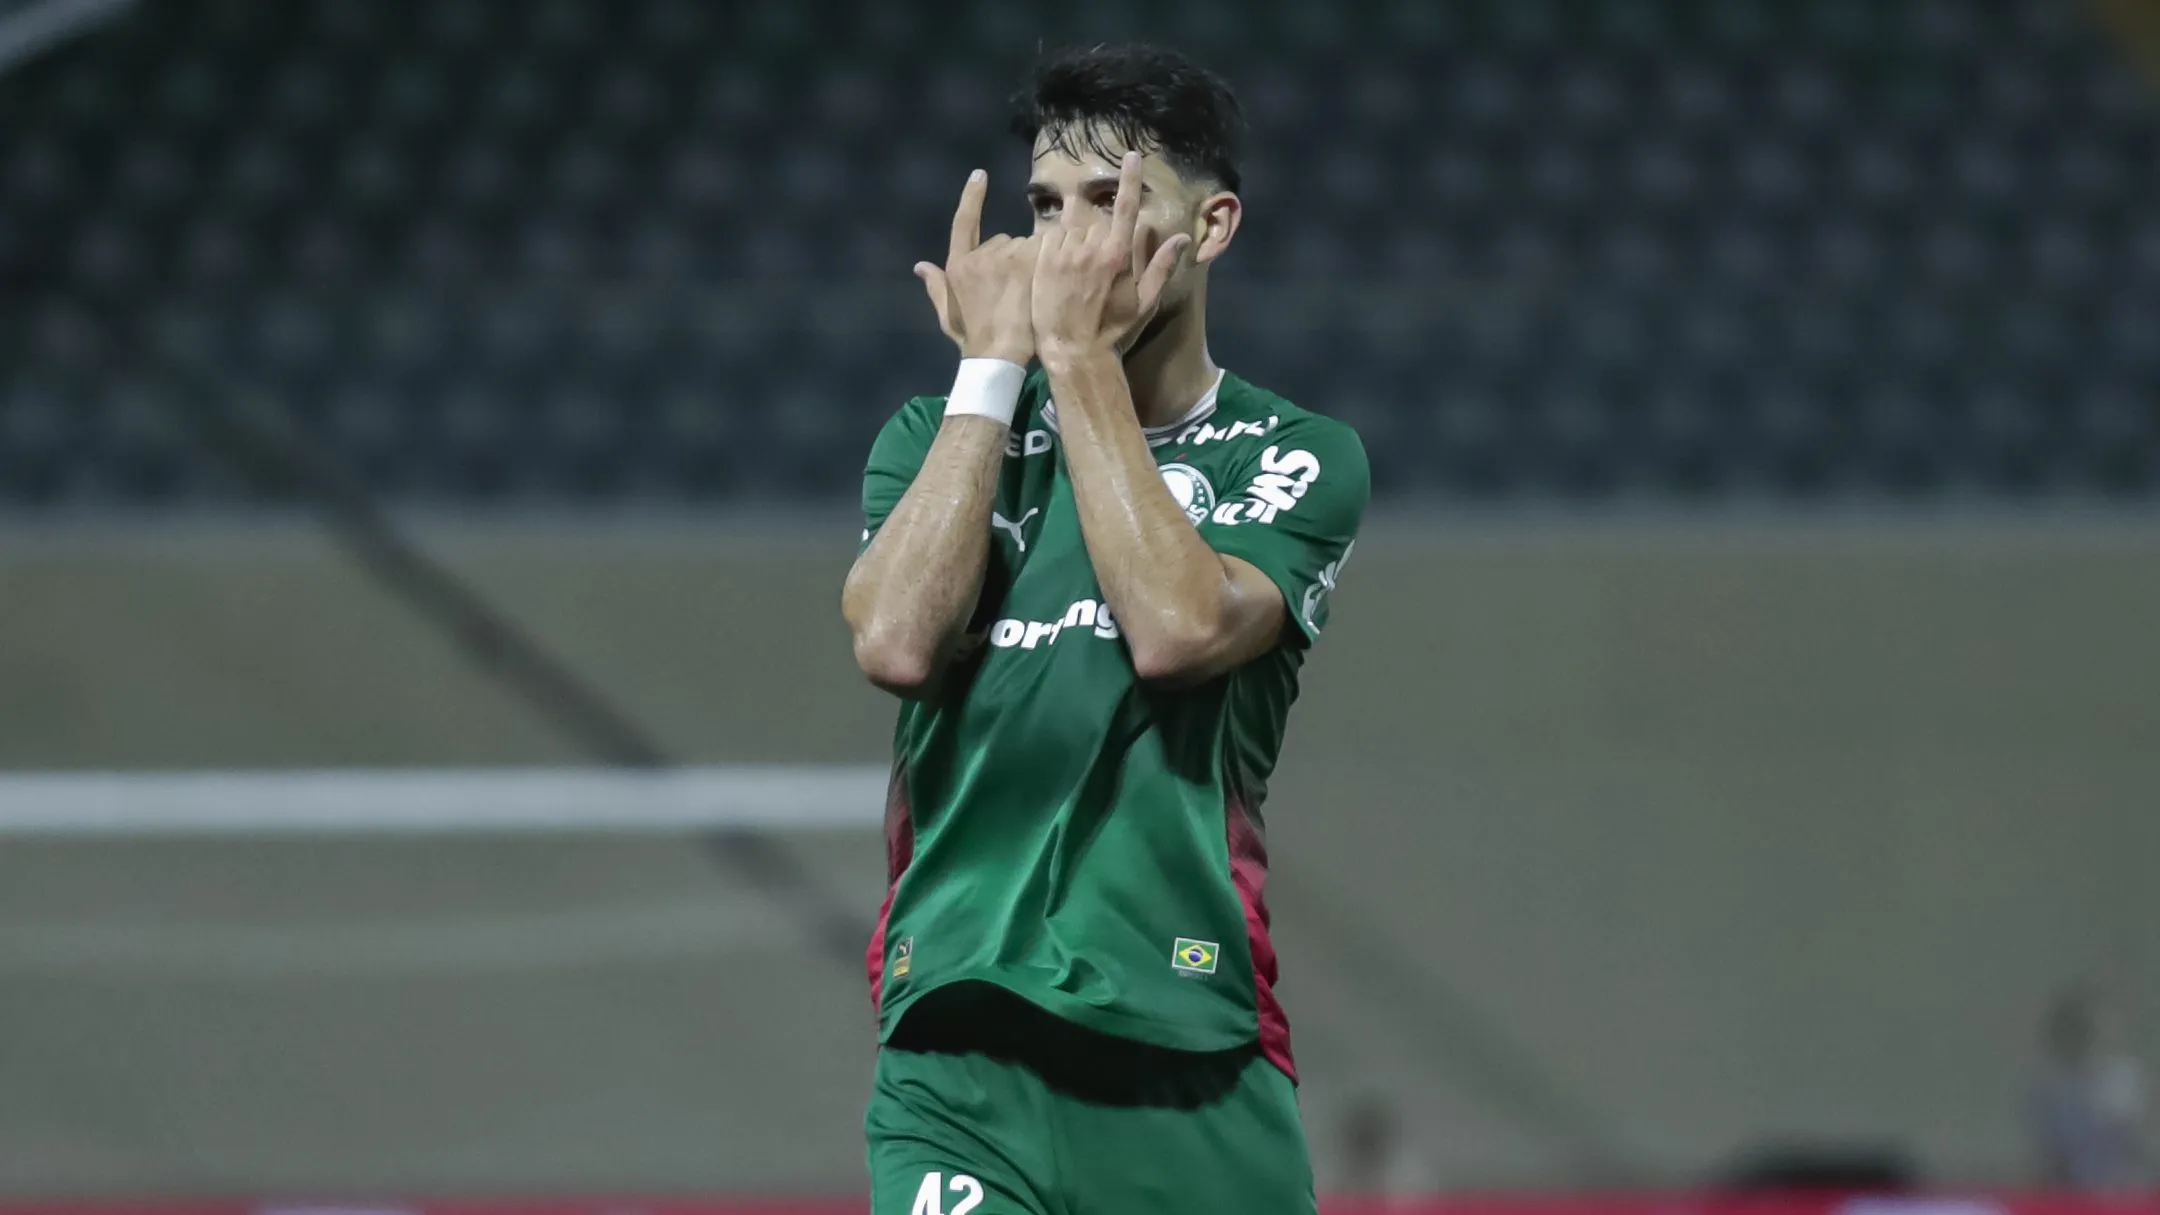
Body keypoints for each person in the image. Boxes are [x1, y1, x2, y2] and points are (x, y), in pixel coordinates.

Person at [840, 43, 1369, 1215]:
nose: (1067, 243)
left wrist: (1076, 358)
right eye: (1044, 207)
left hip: (1191, 1051)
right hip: (956, 1053)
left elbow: (1177, 629)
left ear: (1211, 228)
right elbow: (896, 647)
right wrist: (993, 371)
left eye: (1110, 200)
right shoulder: (941, 434)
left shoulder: (1295, 455)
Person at [2030, 985, 2152, 1190]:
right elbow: (2051, 1153)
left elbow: (2133, 1142)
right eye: (2078, 1030)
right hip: (2069, 1191)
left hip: (2123, 1189)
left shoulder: (2123, 1078)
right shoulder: (2050, 1088)